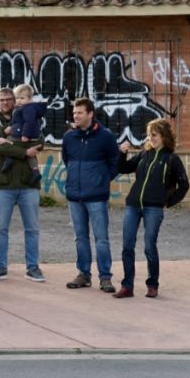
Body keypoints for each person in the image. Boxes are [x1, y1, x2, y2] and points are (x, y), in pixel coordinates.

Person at [116, 118, 190, 299]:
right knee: (127, 246)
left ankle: (152, 285)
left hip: (153, 208)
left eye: (155, 135)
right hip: (133, 205)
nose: (151, 138)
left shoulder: (172, 159)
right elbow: (123, 167)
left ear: (164, 136)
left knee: (149, 246)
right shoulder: (144, 155)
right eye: (150, 135)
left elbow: (184, 185)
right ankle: (127, 286)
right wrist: (121, 153)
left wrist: (168, 201)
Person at [62, 97, 123, 293]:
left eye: (79, 112)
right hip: (75, 197)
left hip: (97, 197)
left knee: (101, 238)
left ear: (90, 114)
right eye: (74, 112)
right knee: (80, 238)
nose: (75, 116)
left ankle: (105, 277)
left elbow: (115, 163)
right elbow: (67, 161)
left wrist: (102, 180)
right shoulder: (69, 137)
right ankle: (83, 274)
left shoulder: (105, 136)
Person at [0, 88, 46, 283]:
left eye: (9, 99)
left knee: (32, 229)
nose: (5, 102)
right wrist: (24, 152)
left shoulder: (30, 113)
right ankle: (0, 267)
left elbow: (40, 142)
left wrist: (14, 146)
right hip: (3, 183)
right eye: (1, 100)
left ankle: (33, 268)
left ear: (15, 100)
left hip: (28, 183)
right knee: (0, 229)